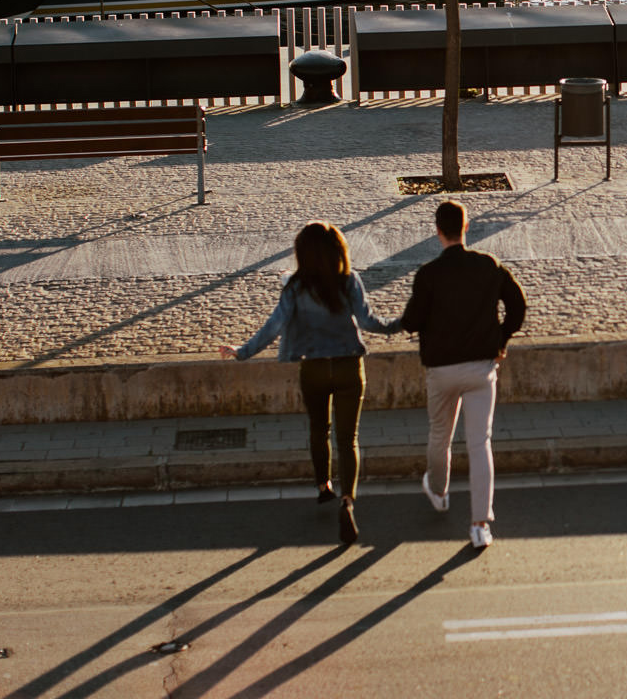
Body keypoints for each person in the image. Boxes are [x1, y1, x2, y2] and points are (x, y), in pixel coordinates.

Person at [219, 221, 400, 545]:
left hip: (314, 370)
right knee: (348, 439)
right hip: (348, 367)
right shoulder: (349, 281)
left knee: (319, 429)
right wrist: (400, 324)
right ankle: (348, 501)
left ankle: (323, 487)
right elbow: (370, 322)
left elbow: (273, 326)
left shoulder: (294, 286)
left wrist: (241, 352)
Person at [398, 200, 526, 550]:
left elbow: (411, 320)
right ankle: (480, 524)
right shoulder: (489, 266)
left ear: (437, 230)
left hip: (441, 370)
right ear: (466, 227)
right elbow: (518, 305)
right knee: (480, 443)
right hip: (481, 367)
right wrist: (501, 337)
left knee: (440, 435)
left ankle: (439, 492)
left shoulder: (428, 274)